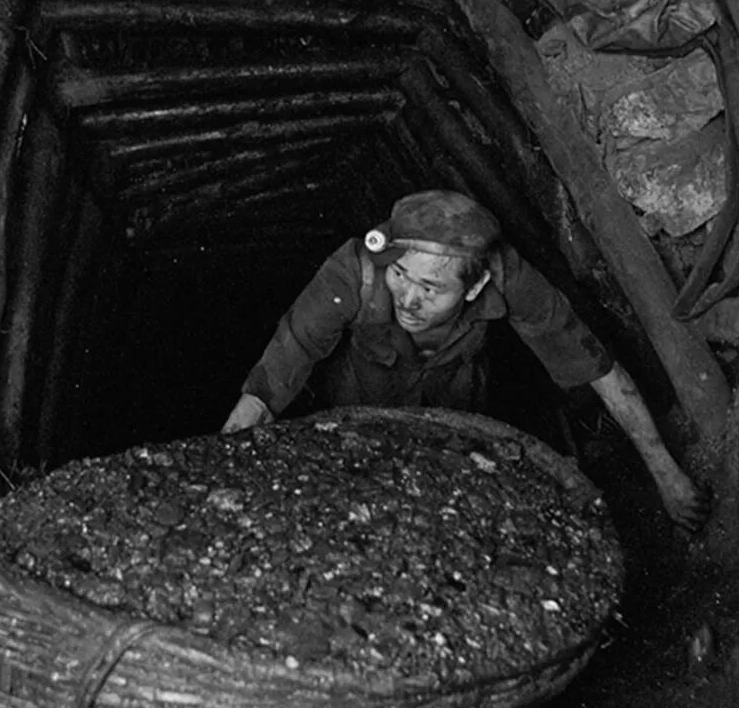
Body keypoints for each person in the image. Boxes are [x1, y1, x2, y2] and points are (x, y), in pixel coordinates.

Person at [222, 190, 707, 530]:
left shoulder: (509, 279)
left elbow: (596, 368)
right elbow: (289, 354)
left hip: (454, 403)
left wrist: (666, 473)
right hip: (359, 402)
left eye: (431, 288)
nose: (408, 299)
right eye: (400, 276)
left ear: (474, 287)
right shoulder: (356, 271)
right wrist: (230, 451)